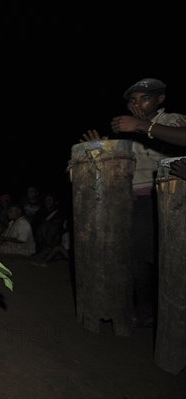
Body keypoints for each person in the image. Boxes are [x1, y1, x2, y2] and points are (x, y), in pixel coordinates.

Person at [81, 78, 185, 327]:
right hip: (127, 199)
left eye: (145, 98)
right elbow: (117, 168)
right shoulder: (127, 130)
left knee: (153, 258)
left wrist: (142, 126)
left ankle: (152, 312)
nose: (137, 103)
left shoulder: (172, 121)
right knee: (126, 255)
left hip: (161, 197)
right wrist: (100, 149)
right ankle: (134, 308)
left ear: (160, 99)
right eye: (133, 99)